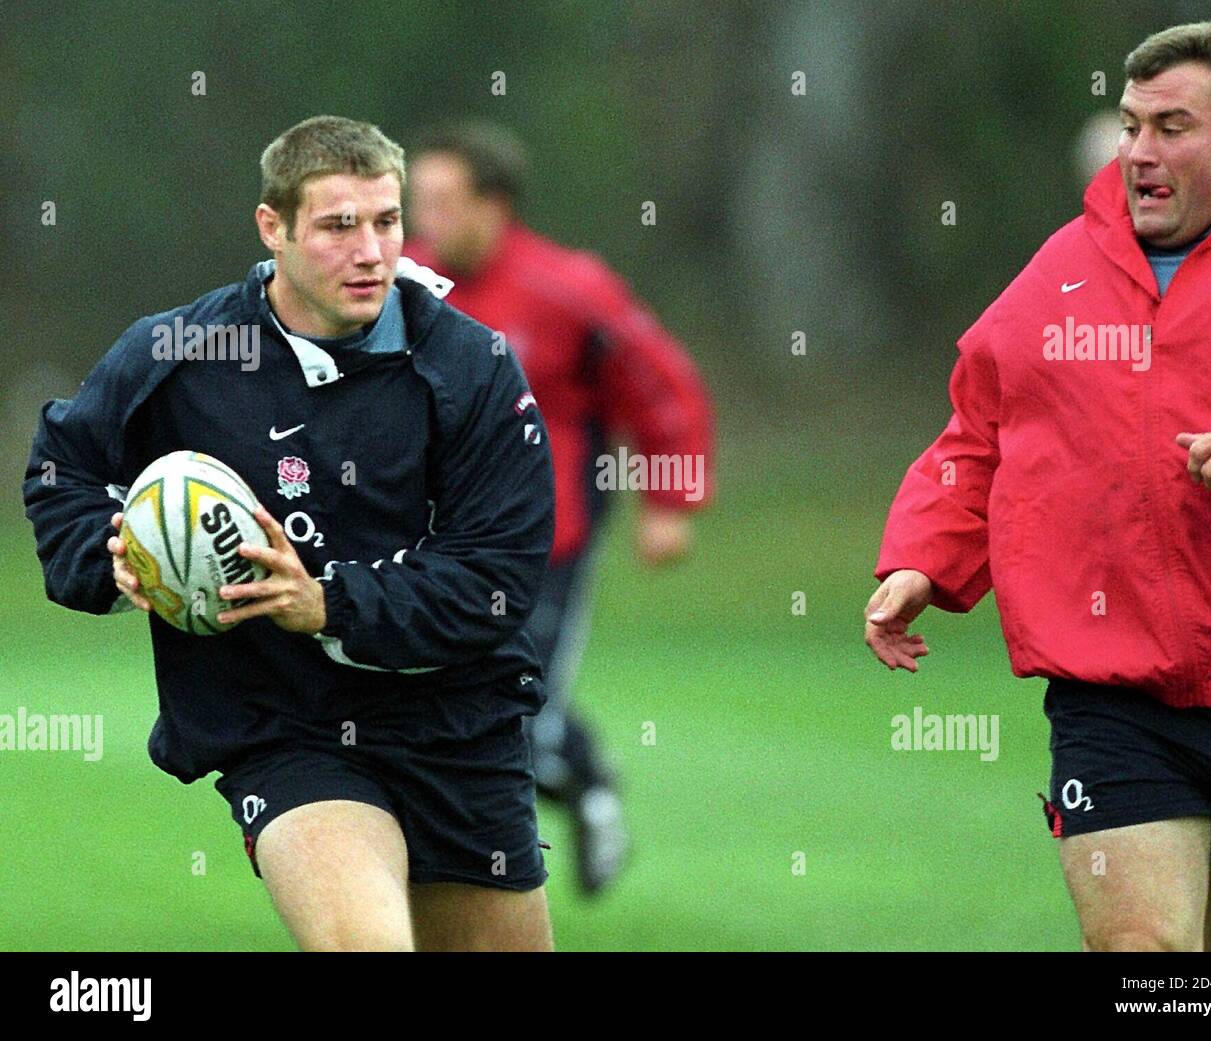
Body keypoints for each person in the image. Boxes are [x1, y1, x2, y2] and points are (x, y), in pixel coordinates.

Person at [23, 115, 558, 951]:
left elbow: (498, 577)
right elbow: (64, 466)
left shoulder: (469, 367)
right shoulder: (183, 350)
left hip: (457, 726)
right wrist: (113, 552)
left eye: (386, 222)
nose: (372, 251)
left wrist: (330, 603)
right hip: (288, 726)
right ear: (273, 227)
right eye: (339, 225)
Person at [865, 20, 1211, 951]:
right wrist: (921, 559)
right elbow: (977, 431)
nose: (1139, 151)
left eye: (1171, 127)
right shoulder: (1068, 265)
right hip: (1116, 695)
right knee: (1145, 960)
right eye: (1132, 124)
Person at [403, 124, 714, 895]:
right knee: (442, 709)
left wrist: (670, 500)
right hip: (433, 543)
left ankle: (520, 857)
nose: (424, 218)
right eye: (419, 200)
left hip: (550, 539)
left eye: (444, 200)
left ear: (495, 203)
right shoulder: (399, 284)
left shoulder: (568, 288)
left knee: (515, 706)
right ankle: (583, 793)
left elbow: (661, 384)